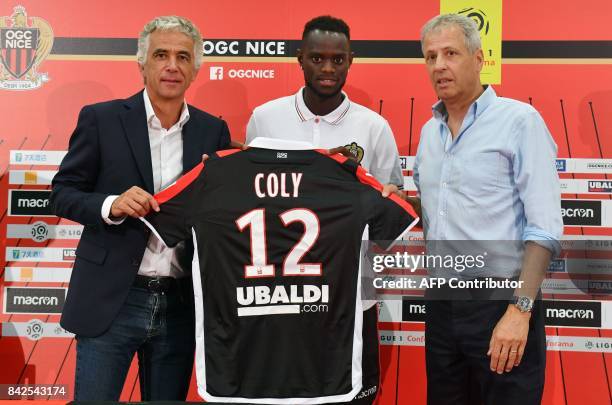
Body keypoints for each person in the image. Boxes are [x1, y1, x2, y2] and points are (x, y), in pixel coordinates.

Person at [50, 15, 231, 401]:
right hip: (113, 299)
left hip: (181, 303)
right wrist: (111, 205)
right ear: (142, 63)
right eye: (161, 54)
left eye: (183, 57)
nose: (172, 65)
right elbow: (62, 192)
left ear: (195, 69)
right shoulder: (101, 119)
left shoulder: (213, 131)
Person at [245, 15, 404, 404]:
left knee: (354, 396)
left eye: (338, 59)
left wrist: (389, 198)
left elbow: (393, 201)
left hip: (352, 297)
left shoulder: (374, 127)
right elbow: (250, 199)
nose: (328, 69)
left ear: (351, 61)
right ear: (300, 59)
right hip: (279, 293)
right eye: (317, 58)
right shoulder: (265, 118)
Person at [408, 14, 563, 405]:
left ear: (478, 59)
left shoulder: (519, 121)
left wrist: (520, 311)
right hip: (443, 304)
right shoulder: (430, 132)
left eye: (450, 53)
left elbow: (544, 227)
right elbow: (437, 212)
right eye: (430, 57)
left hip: (502, 304)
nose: (439, 65)